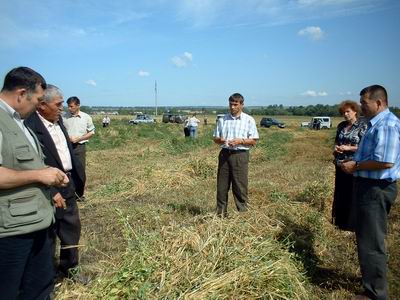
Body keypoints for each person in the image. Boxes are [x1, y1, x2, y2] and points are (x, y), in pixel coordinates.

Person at [0, 67, 69, 300]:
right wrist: (40, 176)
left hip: (37, 222)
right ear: (21, 93)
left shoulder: (20, 121)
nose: (39, 106)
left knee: (38, 287)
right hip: (11, 231)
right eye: (38, 100)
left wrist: (50, 189)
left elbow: (28, 165)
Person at [341, 85, 400, 300]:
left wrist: (355, 167)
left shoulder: (387, 125)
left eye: (364, 103)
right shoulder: (376, 124)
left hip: (376, 189)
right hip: (369, 187)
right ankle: (372, 282)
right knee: (367, 238)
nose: (361, 107)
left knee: (372, 242)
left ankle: (376, 293)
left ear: (378, 103)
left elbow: (385, 161)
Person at [25, 85, 85, 281]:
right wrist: (51, 191)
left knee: (71, 229)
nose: (62, 108)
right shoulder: (29, 127)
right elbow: (31, 165)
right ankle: (45, 277)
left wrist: (74, 180)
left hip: (66, 183)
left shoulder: (58, 121)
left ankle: (69, 270)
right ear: (42, 105)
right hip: (46, 188)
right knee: (47, 235)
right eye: (58, 104)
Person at [213, 93, 259, 217]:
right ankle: (221, 215)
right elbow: (215, 138)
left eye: (235, 104)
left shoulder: (248, 120)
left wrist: (240, 141)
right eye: (231, 104)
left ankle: (243, 215)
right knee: (222, 187)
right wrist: (220, 140)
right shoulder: (223, 120)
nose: (232, 107)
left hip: (240, 155)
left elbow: (254, 140)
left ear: (242, 105)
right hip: (224, 154)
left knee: (240, 186)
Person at [332, 100, 367, 231]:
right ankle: (340, 222)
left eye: (348, 111)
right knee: (341, 193)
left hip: (354, 166)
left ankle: (351, 225)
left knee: (352, 194)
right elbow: (337, 141)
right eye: (343, 112)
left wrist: (348, 148)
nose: (345, 114)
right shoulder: (341, 125)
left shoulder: (362, 126)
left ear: (355, 111)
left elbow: (365, 147)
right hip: (340, 164)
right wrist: (337, 148)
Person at [63, 96, 95, 200]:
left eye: (71, 106)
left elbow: (91, 132)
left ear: (78, 106)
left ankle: (80, 194)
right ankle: (69, 193)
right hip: (66, 147)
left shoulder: (86, 117)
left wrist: (79, 138)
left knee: (80, 170)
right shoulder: (64, 117)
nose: (69, 108)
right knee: (67, 169)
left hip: (79, 147)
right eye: (68, 106)